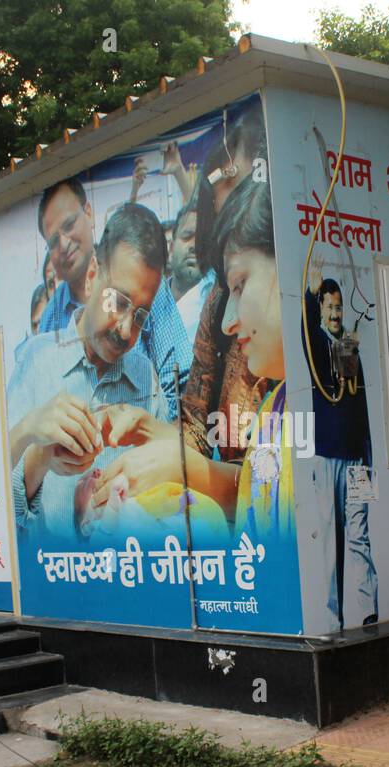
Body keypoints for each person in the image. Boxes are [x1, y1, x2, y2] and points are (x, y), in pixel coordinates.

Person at [91, 177, 292, 540]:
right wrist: (153, 433)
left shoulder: (330, 407)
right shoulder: (274, 413)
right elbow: (257, 498)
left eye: (241, 285)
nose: (229, 322)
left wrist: (186, 470)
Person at [7, 201, 171, 545]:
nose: (126, 331)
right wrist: (35, 449)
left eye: (140, 315)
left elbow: (169, 499)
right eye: (119, 302)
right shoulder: (35, 363)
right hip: (52, 589)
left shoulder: (146, 380)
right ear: (93, 274)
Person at [35, 176, 191, 417]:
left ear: (88, 214)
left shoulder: (144, 282)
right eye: (54, 241)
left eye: (68, 225)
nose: (64, 244)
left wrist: (149, 438)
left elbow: (177, 381)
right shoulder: (49, 321)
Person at [178, 105, 270, 464]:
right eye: (216, 186)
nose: (224, 199)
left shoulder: (304, 290)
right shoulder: (217, 301)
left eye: (233, 180)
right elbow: (195, 422)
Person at [304, 254, 376, 630]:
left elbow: (358, 404)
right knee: (331, 542)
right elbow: (308, 332)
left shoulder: (349, 348)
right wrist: (309, 292)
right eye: (328, 306)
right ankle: (334, 622)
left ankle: (368, 615)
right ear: (320, 310)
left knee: (360, 536)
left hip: (356, 460)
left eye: (338, 306)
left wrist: (368, 458)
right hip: (326, 457)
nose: (335, 313)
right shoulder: (316, 346)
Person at [168, 206, 212, 337]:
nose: (194, 246)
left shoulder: (218, 309)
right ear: (171, 248)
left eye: (202, 240)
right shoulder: (149, 304)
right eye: (187, 237)